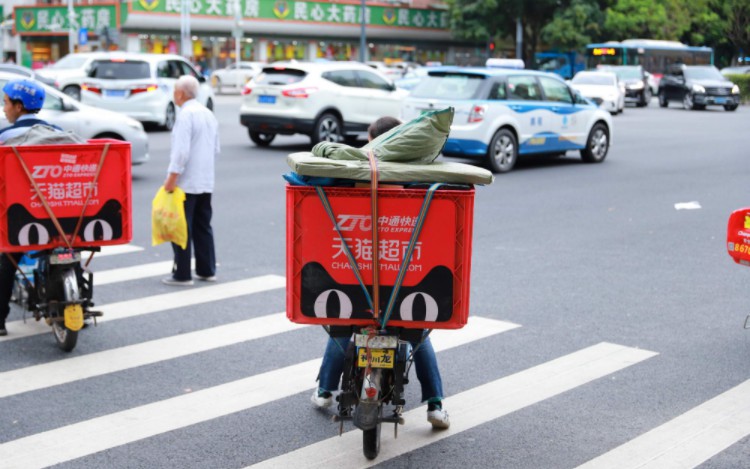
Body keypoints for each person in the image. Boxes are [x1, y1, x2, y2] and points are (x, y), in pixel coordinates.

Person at [310, 116, 450, 429]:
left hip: (354, 278)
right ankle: (436, 405)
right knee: (418, 333)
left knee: (343, 326)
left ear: (372, 137)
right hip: (402, 279)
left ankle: (323, 390)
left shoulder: (352, 169)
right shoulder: (416, 174)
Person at [0, 79, 59, 335]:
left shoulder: (4, 138)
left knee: (7, 260)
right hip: (63, 215)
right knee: (69, 249)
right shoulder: (58, 132)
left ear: (18, 105)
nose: (4, 109)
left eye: (5, 103)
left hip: (22, 217)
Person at [162, 75, 219, 286]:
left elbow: (181, 151)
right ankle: (206, 270)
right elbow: (215, 149)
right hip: (205, 180)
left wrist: (172, 177)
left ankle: (182, 274)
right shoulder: (208, 114)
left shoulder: (186, 115)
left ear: (180, 93)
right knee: (203, 226)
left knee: (181, 227)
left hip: (185, 183)